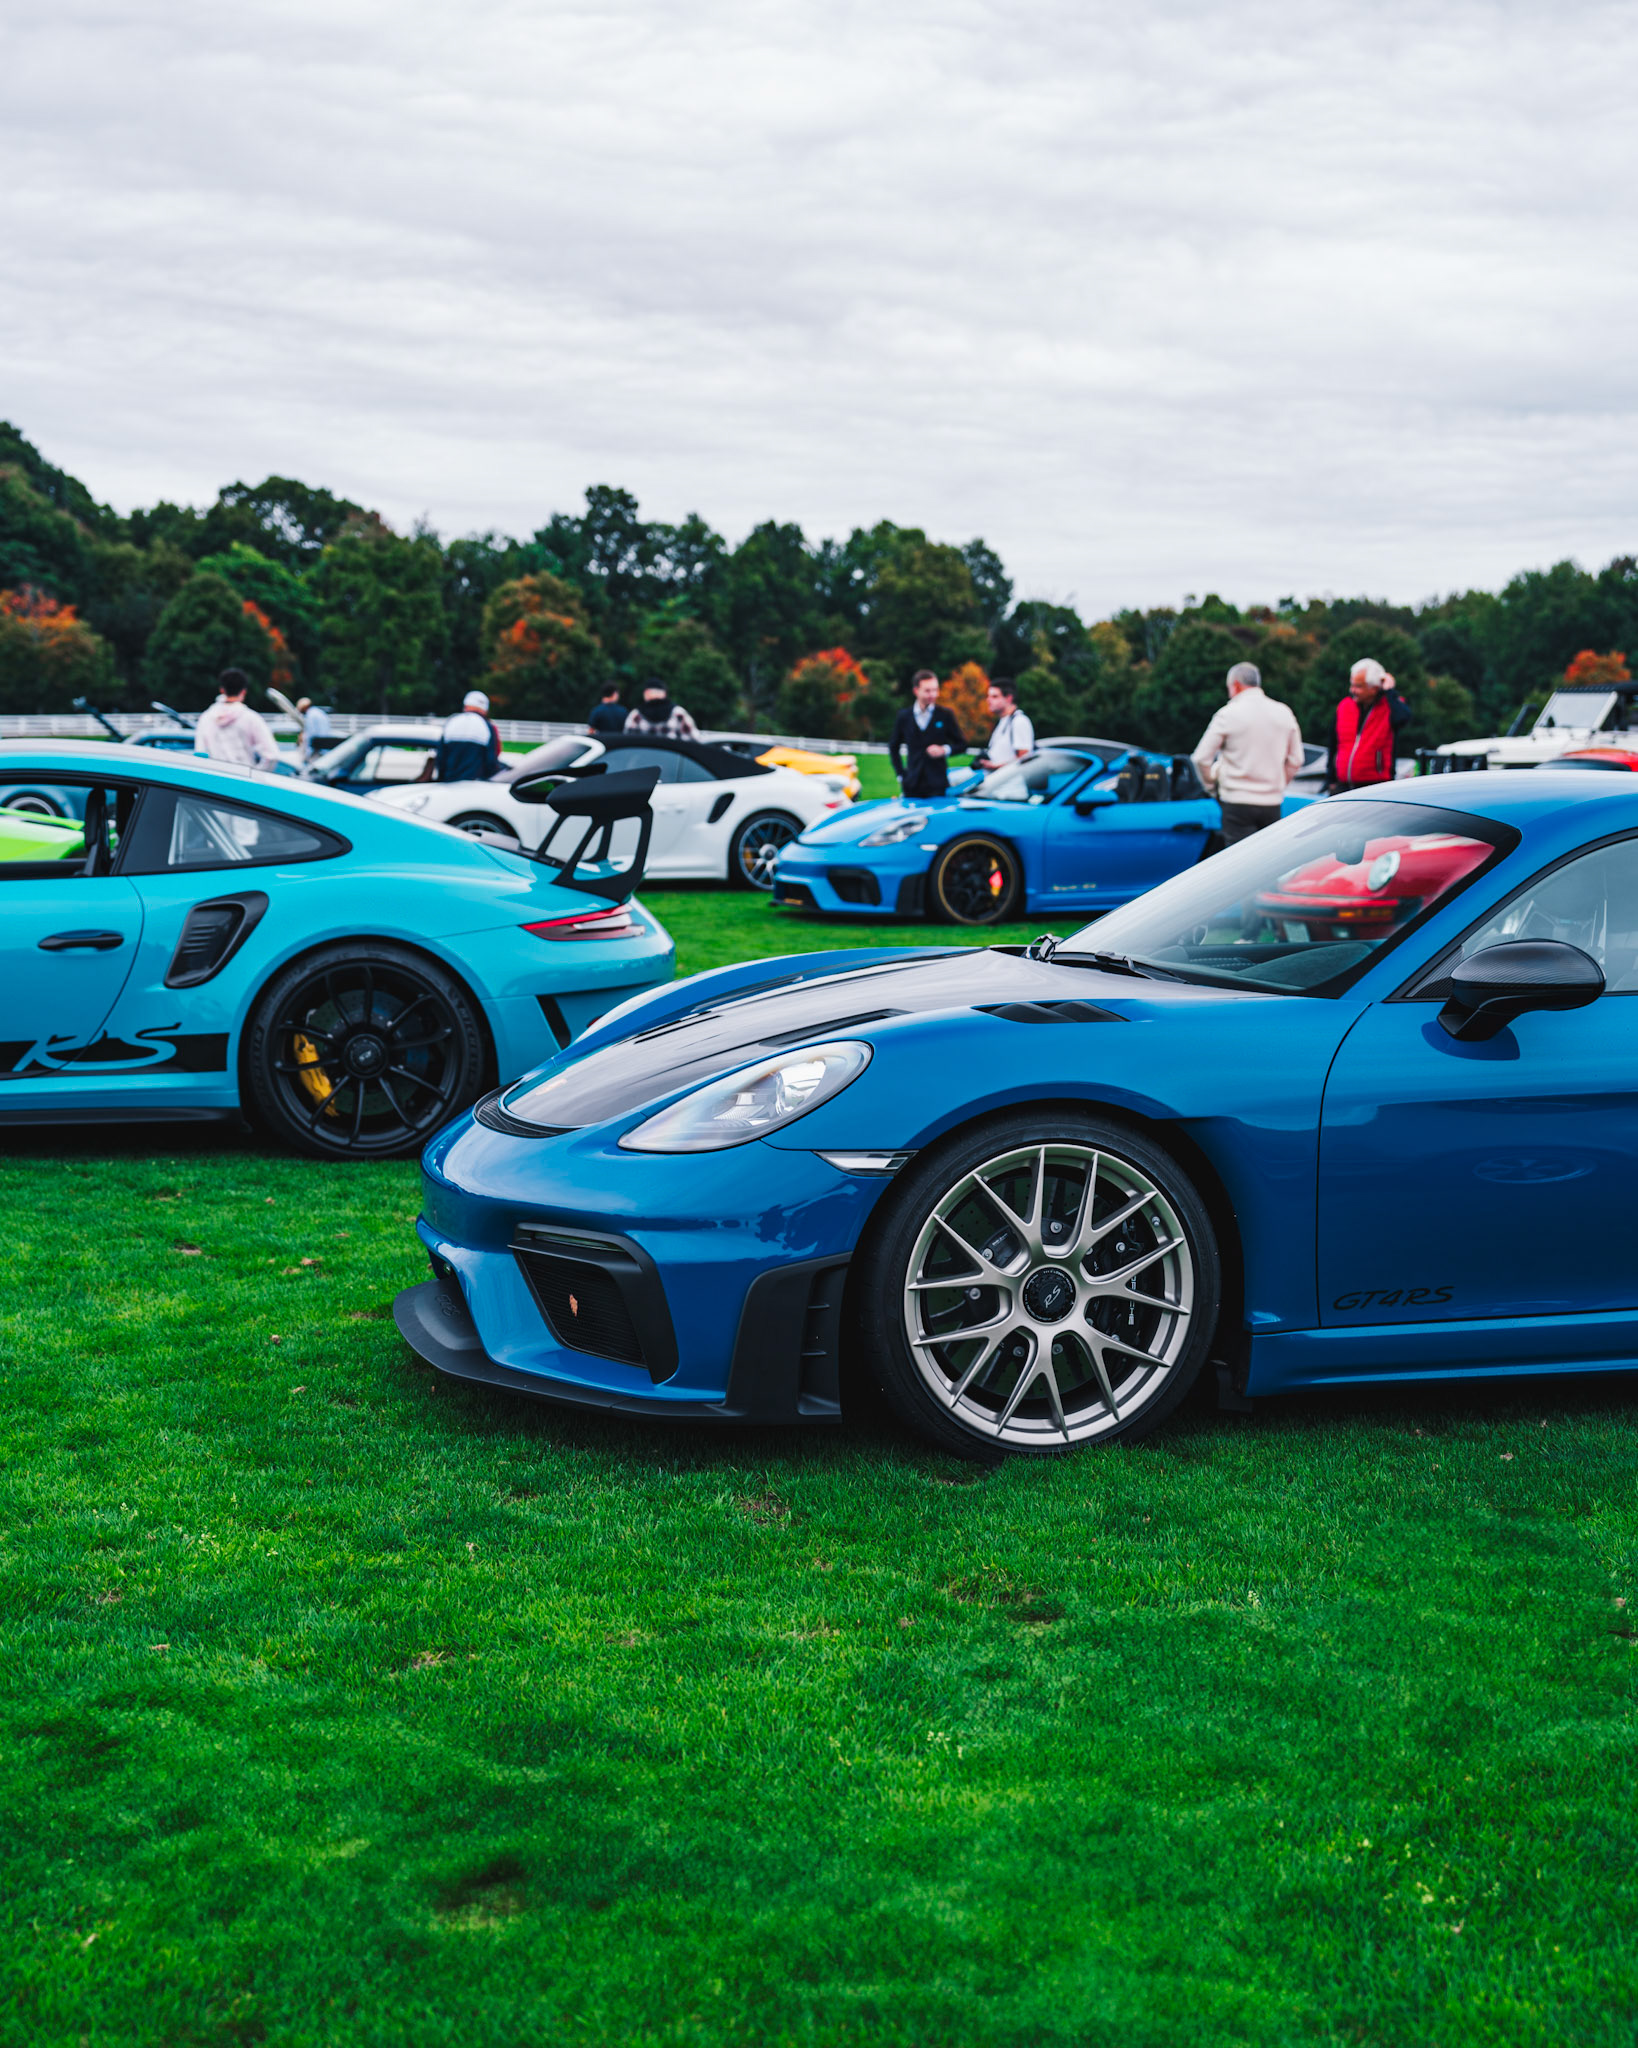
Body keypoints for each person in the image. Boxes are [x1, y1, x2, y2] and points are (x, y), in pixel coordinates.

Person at [1191, 661, 1305, 844]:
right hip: (1272, 803)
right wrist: (1278, 784)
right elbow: (1296, 759)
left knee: (1240, 859)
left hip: (1236, 802)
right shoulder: (1284, 712)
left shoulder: (1227, 714)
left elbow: (1200, 758)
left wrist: (1212, 787)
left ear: (1236, 685)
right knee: (1269, 856)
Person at [1331, 658, 1410, 792]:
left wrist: (1390, 691)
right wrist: (1330, 780)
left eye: (1358, 686)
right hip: (1343, 785)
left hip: (1375, 787)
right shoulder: (1344, 706)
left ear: (1374, 688)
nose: (1352, 690)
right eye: (1352, 685)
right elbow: (1333, 743)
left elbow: (1403, 718)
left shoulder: (1390, 707)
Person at [889, 670, 966, 797]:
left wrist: (943, 750)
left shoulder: (945, 715)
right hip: (912, 783)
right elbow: (893, 746)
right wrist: (901, 775)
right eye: (927, 690)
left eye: (935, 690)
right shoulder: (904, 716)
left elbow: (962, 744)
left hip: (937, 784)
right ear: (916, 691)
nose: (933, 694)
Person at [193, 668, 280, 770]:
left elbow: (200, 754)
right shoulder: (251, 718)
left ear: (222, 690)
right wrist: (256, 774)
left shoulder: (206, 718)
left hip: (215, 776)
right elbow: (272, 756)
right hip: (243, 777)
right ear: (243, 691)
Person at [433, 690, 502, 783]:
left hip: (449, 783)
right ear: (485, 710)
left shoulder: (452, 722)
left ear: (465, 706)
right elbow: (491, 761)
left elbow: (441, 758)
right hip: (475, 785)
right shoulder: (487, 726)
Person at [974, 677, 1034, 771]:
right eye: (988, 696)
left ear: (1009, 698)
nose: (988, 700)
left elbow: (1024, 759)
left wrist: (995, 767)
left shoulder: (1019, 721)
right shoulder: (1004, 721)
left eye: (994, 696)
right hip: (999, 779)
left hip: (1011, 780)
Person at [625, 679, 700, 741]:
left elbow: (628, 741)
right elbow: (695, 738)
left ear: (646, 693)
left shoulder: (636, 715)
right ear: (664, 693)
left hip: (644, 754)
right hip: (672, 754)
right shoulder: (679, 713)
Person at [294, 696, 333, 764]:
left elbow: (311, 734)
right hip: (323, 748)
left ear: (304, 707)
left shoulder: (311, 715)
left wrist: (308, 752)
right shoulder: (319, 712)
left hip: (316, 749)